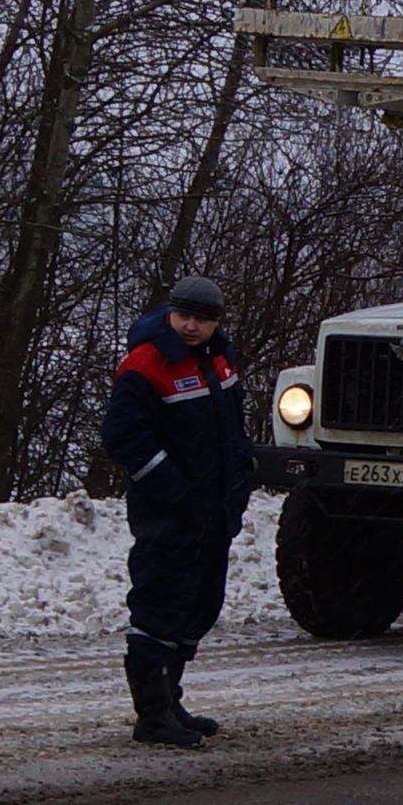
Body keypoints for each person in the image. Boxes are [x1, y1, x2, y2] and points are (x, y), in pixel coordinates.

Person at [105, 274, 254, 745]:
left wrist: (239, 485)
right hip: (168, 514)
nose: (191, 327)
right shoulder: (145, 364)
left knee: (199, 606)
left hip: (214, 512)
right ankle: (151, 715)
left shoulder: (220, 361)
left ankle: (170, 700)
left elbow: (232, 431)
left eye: (203, 319)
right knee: (160, 608)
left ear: (215, 323)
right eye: (184, 316)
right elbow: (123, 438)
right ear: (171, 314)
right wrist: (174, 490)